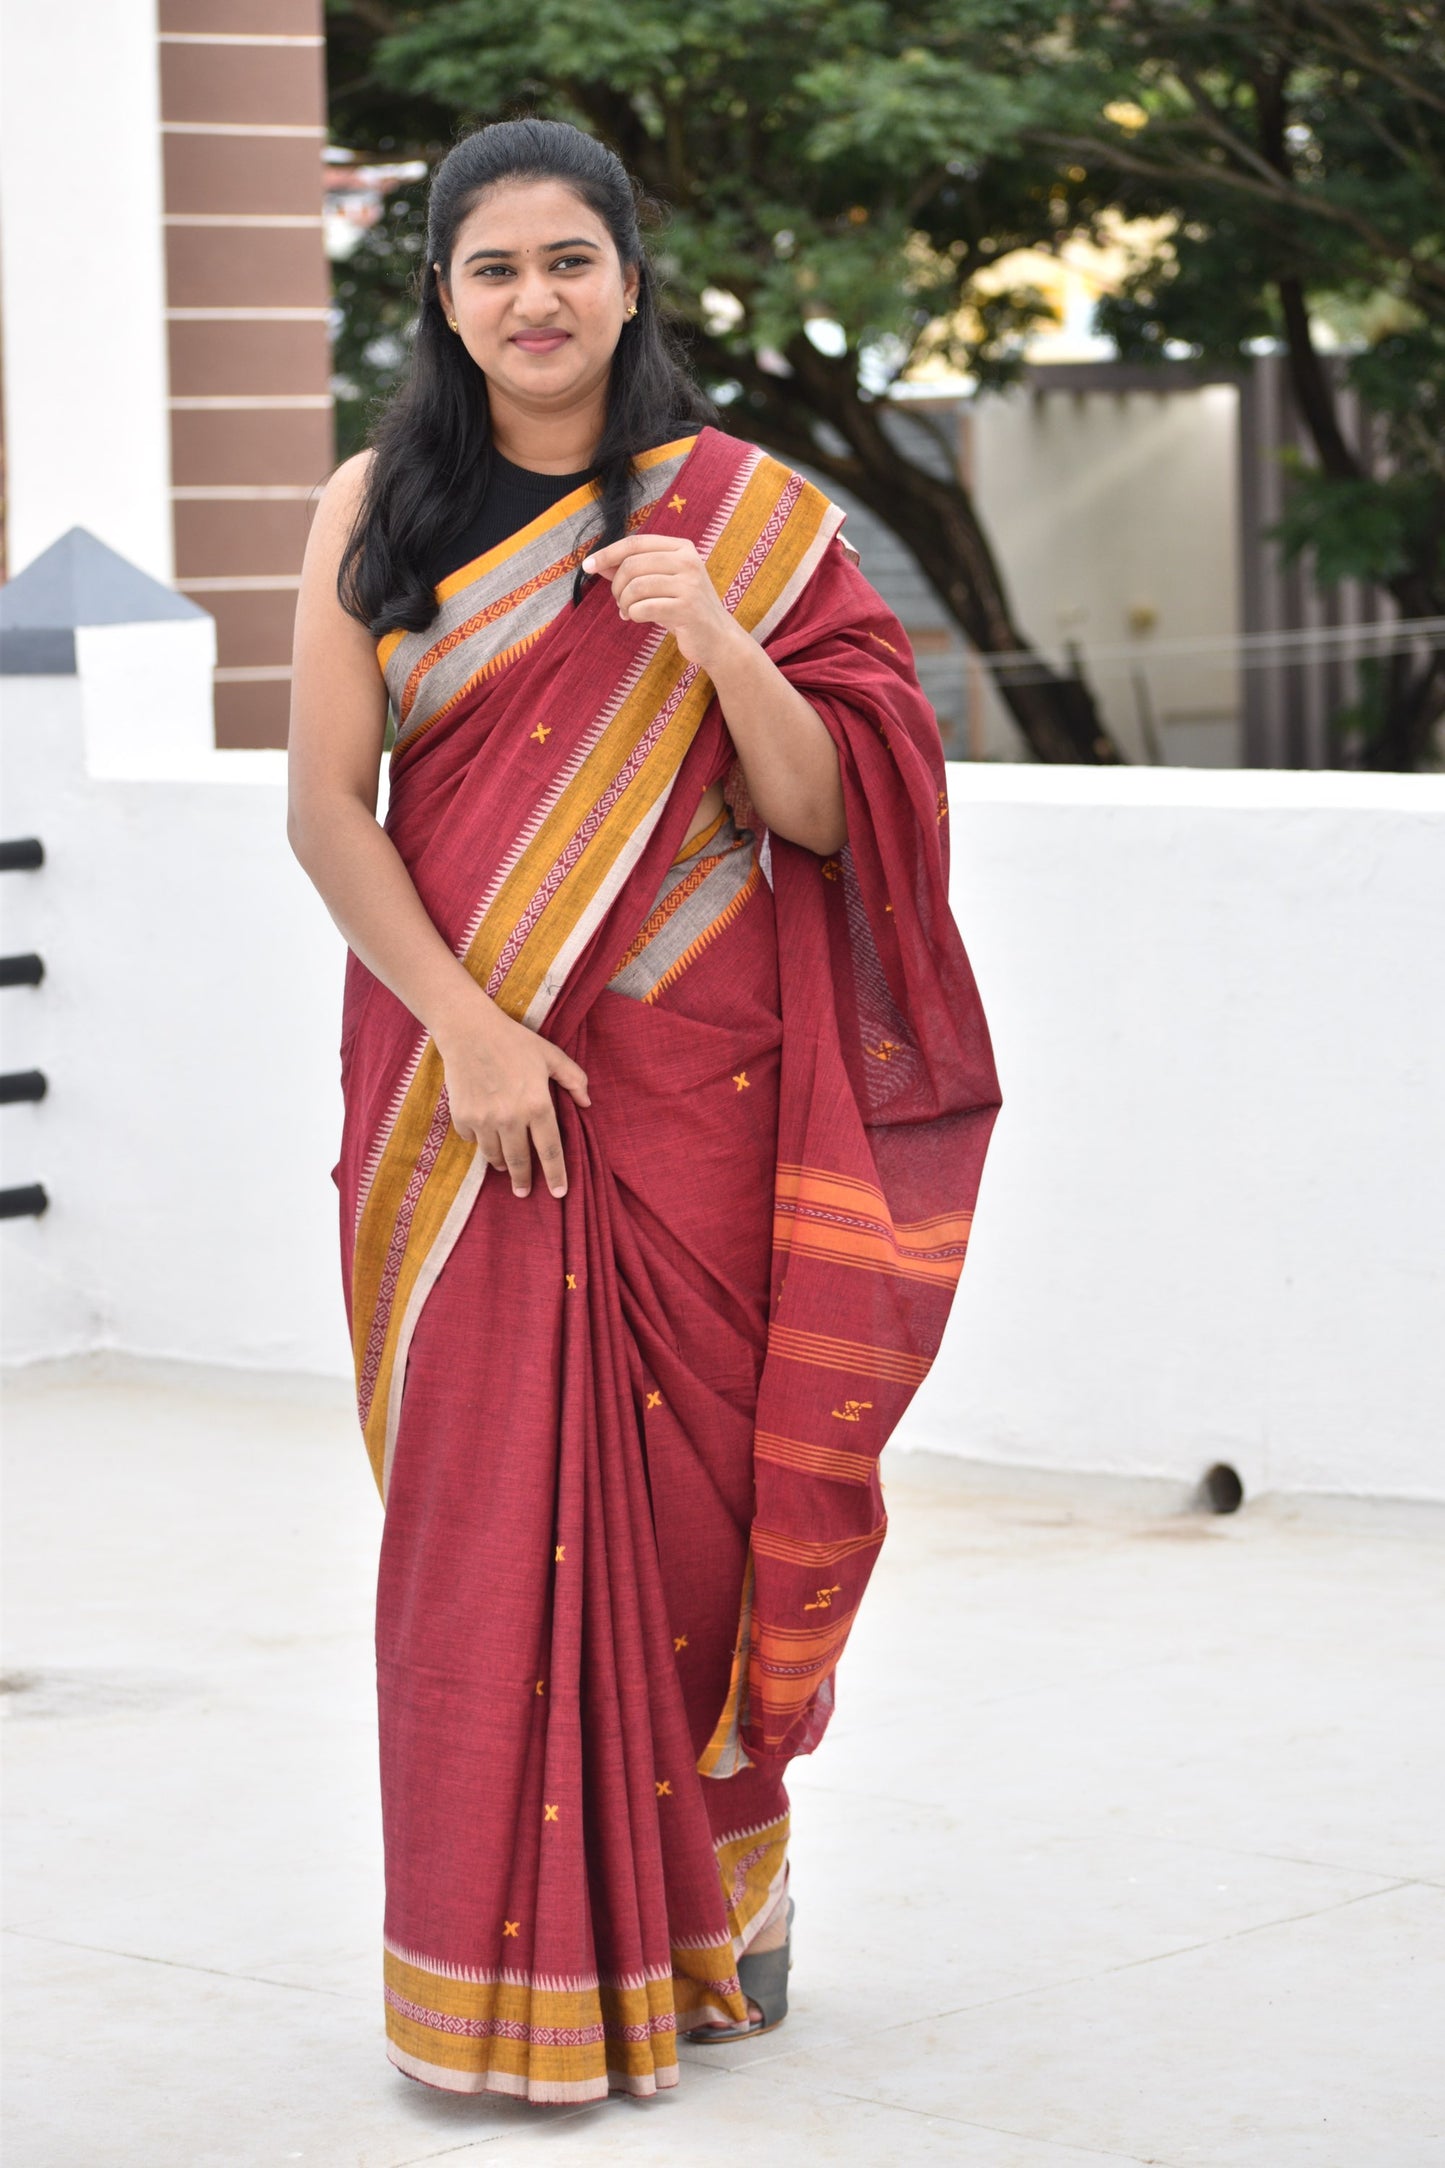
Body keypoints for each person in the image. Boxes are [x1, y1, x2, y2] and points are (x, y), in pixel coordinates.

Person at [287, 116, 1000, 2107]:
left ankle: (728, 1896)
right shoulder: (380, 506)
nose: (536, 300)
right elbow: (328, 811)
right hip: (459, 1102)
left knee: (696, 1526)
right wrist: (474, 1032)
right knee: (484, 1529)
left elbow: (830, 806)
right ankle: (492, 1971)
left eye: (570, 262)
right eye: (493, 266)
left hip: (698, 1100)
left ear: (629, 280)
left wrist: (714, 639)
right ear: (442, 295)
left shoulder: (745, 518)